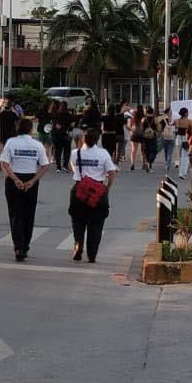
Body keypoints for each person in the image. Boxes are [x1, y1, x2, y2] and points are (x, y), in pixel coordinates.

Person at [0, 118, 50, 262]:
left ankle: (18, 246)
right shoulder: (37, 145)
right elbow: (45, 165)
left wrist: (15, 180)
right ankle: (25, 245)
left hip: (14, 179)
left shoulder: (11, 142)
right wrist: (33, 181)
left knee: (15, 214)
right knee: (28, 214)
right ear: (30, 130)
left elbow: (4, 163)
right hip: (31, 180)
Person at [69, 128, 117, 264]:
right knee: (96, 224)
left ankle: (78, 243)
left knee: (77, 220)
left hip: (79, 190)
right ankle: (92, 254)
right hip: (97, 191)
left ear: (83, 139)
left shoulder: (75, 153)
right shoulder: (103, 154)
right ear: (97, 139)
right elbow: (112, 172)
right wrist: (107, 187)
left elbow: (74, 168)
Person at [51, 102, 73, 173]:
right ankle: (65, 166)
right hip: (65, 135)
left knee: (58, 151)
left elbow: (53, 124)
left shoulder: (55, 114)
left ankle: (58, 167)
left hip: (56, 134)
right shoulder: (68, 115)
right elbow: (71, 124)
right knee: (66, 151)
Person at [174, 107, 192, 180]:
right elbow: (191, 130)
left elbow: (175, 127)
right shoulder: (190, 121)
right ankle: (182, 173)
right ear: (186, 113)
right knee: (185, 156)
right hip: (186, 138)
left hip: (178, 137)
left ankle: (177, 162)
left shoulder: (177, 121)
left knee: (178, 153)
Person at [128, 105, 145, 171]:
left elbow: (129, 126)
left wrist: (131, 129)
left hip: (134, 133)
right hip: (142, 133)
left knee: (133, 150)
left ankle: (133, 164)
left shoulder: (133, 116)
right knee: (143, 150)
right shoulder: (144, 117)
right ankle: (143, 164)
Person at [142, 106, 159, 172]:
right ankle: (149, 163)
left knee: (147, 150)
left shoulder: (144, 119)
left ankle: (148, 165)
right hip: (153, 135)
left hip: (145, 136)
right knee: (154, 150)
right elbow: (158, 128)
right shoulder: (155, 119)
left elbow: (142, 128)